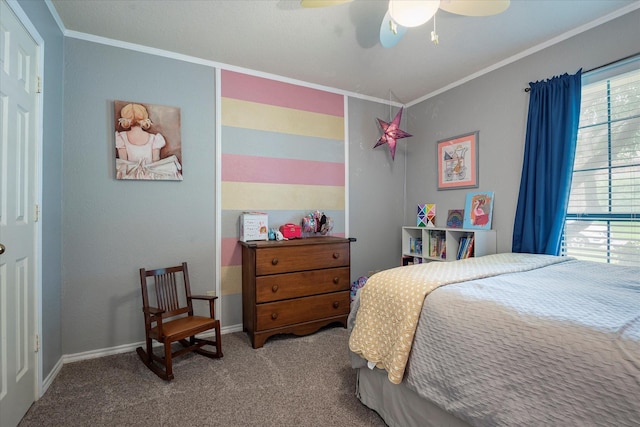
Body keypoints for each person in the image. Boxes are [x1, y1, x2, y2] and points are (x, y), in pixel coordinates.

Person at [115, 103, 182, 180]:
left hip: (129, 176)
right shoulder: (154, 138)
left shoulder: (120, 137)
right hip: (149, 176)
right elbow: (155, 163)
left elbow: (124, 163)